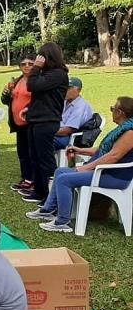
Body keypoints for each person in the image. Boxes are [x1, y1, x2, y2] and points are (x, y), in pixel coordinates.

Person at [26, 96, 133, 232]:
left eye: (113, 108)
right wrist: (79, 150)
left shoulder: (130, 133)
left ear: (121, 113)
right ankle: (48, 210)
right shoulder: (122, 129)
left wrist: (85, 168)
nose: (111, 110)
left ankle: (62, 222)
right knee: (60, 172)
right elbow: (102, 150)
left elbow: (113, 156)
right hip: (103, 171)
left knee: (65, 180)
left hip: (114, 176)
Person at [19, 42, 69, 204]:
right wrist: (30, 109)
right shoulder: (48, 74)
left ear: (49, 57)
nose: (38, 60)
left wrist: (36, 68)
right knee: (35, 157)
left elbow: (32, 85)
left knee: (45, 159)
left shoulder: (58, 74)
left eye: (41, 56)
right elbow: (41, 96)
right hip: (37, 119)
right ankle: (39, 191)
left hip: (47, 121)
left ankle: (51, 196)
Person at [2, 56, 35, 193]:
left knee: (31, 152)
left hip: (31, 122)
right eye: (23, 64)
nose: (26, 66)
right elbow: (6, 101)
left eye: (30, 63)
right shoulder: (17, 80)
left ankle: (33, 181)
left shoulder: (37, 81)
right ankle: (26, 179)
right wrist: (6, 93)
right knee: (22, 152)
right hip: (18, 123)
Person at [53, 78, 93, 150]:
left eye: (69, 88)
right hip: (58, 133)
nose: (65, 91)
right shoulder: (65, 102)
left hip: (66, 138)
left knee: (40, 139)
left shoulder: (80, 106)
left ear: (78, 90)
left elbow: (67, 131)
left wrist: (47, 131)